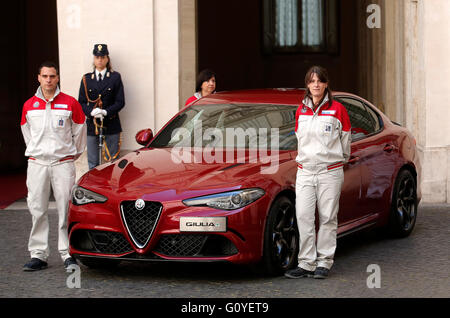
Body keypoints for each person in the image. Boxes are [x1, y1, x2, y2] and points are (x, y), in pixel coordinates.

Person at [285, 66, 351, 279]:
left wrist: (336, 162)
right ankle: (306, 263)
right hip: (304, 171)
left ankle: (324, 262)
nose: (316, 85)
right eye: (312, 81)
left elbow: (346, 142)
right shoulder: (300, 110)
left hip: (329, 172)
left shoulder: (338, 109)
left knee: (327, 217)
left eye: (319, 81)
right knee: (303, 216)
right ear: (307, 85)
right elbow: (299, 139)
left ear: (326, 84)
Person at [20, 61, 87, 271]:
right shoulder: (29, 105)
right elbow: (27, 133)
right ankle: (38, 254)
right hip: (37, 163)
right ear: (38, 78)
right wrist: (38, 152)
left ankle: (67, 253)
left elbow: (80, 133)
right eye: (45, 76)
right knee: (37, 209)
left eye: (52, 76)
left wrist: (68, 155)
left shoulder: (70, 103)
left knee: (65, 209)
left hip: (62, 164)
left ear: (57, 78)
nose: (49, 80)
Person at [78, 44, 125, 169]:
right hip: (93, 126)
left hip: (111, 123)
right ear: (94, 59)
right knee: (93, 163)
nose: (100, 60)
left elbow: (120, 101)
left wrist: (105, 112)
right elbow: (81, 102)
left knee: (113, 162)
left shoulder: (115, 77)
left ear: (107, 59)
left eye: (102, 57)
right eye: (97, 57)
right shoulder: (86, 79)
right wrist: (91, 112)